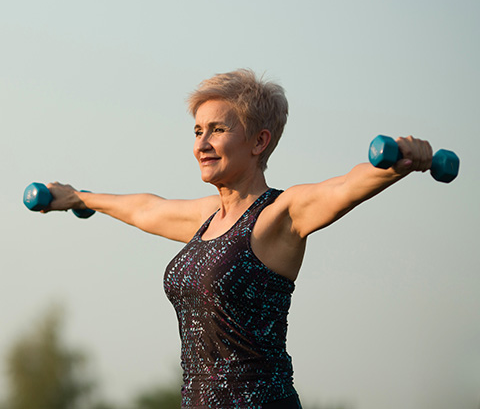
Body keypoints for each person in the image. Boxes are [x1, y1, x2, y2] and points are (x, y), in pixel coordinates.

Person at [44, 69, 433, 409]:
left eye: (218, 130)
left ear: (259, 141)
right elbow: (145, 208)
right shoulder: (205, 217)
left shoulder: (280, 215)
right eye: (198, 131)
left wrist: (402, 163)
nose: (202, 144)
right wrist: (79, 198)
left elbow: (345, 186)